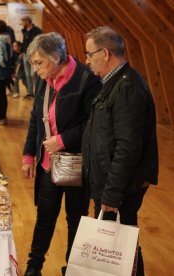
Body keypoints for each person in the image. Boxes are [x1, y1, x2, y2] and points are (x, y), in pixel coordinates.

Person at [21, 32, 101, 276]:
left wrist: (63, 139)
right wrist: (28, 156)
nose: (36, 70)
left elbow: (93, 122)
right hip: (48, 163)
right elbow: (36, 118)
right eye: (34, 63)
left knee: (75, 220)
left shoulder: (86, 80)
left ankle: (73, 269)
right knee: (44, 218)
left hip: (76, 163)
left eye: (40, 62)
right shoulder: (45, 79)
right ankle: (34, 268)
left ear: (57, 56)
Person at [82, 26, 158, 276]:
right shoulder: (113, 82)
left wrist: (112, 193)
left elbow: (128, 147)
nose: (86, 59)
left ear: (104, 53)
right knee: (118, 247)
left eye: (89, 53)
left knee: (119, 247)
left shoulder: (127, 87)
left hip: (119, 186)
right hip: (109, 182)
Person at [20, 16, 43, 99]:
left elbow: (38, 43)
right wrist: (22, 52)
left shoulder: (37, 31)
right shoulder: (25, 31)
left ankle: (37, 93)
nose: (21, 24)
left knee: (34, 74)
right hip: (25, 55)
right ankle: (29, 92)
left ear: (27, 22)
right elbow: (24, 42)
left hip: (33, 55)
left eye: (22, 22)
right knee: (27, 75)